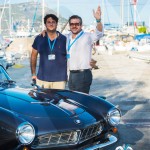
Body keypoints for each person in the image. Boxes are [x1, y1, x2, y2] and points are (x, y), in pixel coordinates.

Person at [42, 5, 103, 94]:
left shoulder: (87, 36)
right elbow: (53, 36)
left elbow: (99, 33)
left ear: (81, 25)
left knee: (80, 100)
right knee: (73, 101)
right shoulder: (66, 37)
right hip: (71, 74)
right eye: (72, 24)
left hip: (83, 74)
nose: (74, 26)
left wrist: (98, 20)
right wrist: (45, 31)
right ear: (69, 26)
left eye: (77, 24)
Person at [30, 14, 67, 89]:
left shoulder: (64, 39)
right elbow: (33, 56)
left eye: (53, 22)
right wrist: (33, 74)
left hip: (59, 80)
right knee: (42, 100)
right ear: (45, 24)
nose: (51, 24)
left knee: (58, 100)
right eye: (48, 22)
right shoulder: (39, 38)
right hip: (42, 79)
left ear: (56, 24)